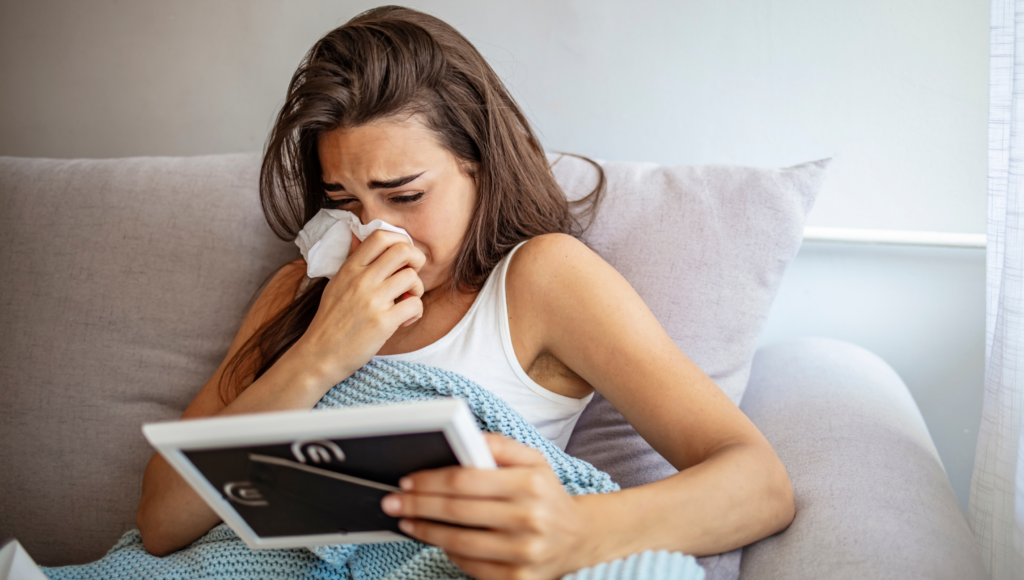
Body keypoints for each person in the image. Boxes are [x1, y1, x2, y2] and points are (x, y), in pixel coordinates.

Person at [135, 5, 795, 579]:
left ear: (477, 164)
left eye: (406, 195)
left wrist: (576, 531)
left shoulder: (541, 280)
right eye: (344, 200)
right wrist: (320, 356)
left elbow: (759, 484)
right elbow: (163, 523)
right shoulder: (298, 291)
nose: (375, 233)